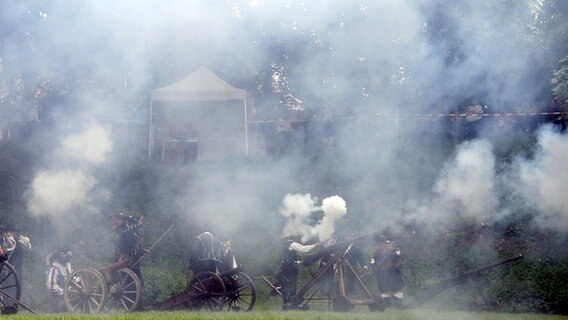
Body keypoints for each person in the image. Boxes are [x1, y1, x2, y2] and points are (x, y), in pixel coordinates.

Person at [275, 236, 319, 310]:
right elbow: (304, 249)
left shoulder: (286, 245)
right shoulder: (292, 244)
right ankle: (290, 302)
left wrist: (298, 262)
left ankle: (289, 302)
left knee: (288, 285)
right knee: (291, 285)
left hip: (287, 267)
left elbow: (290, 259)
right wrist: (316, 245)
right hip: (290, 269)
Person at [112, 213, 145, 290]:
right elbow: (124, 234)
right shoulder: (119, 229)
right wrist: (137, 225)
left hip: (135, 262)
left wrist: (141, 251)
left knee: (140, 284)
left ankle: (137, 301)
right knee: (128, 285)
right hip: (125, 262)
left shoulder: (132, 231)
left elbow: (132, 244)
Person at [371, 235, 404, 301]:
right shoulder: (378, 248)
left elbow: (397, 256)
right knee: (382, 282)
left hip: (392, 268)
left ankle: (395, 294)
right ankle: (385, 294)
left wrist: (393, 260)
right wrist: (374, 265)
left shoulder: (394, 246)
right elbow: (374, 258)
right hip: (381, 268)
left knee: (395, 282)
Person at [45, 249, 73, 313]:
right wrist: (64, 292)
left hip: (67, 294)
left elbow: (73, 279)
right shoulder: (54, 268)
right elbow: (51, 286)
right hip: (56, 296)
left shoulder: (68, 268)